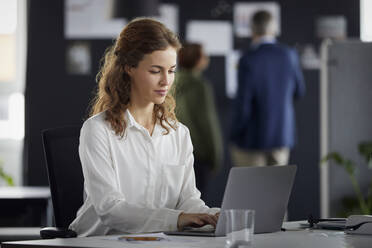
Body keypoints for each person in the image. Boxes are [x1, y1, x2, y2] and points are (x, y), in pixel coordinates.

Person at [69, 18, 219, 237]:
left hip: (156, 241)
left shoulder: (179, 133)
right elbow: (110, 209)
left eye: (171, 71)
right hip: (102, 241)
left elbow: (188, 200)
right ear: (129, 67)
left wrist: (213, 216)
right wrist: (177, 219)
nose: (166, 82)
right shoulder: (97, 130)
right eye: (156, 71)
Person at [230, 10, 305, 167]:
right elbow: (299, 91)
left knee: (254, 190)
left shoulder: (248, 59)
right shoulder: (289, 55)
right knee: (278, 190)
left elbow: (244, 104)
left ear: (252, 29)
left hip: (252, 139)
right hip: (282, 137)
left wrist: (234, 133)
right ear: (274, 28)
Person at [173, 43, 223, 194]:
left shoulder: (170, 85)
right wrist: (215, 157)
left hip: (175, 154)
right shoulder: (200, 86)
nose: (207, 58)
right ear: (197, 59)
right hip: (199, 156)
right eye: (203, 55)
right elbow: (208, 124)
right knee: (198, 206)